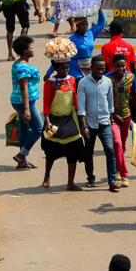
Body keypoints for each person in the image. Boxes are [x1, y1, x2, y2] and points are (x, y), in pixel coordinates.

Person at [41, 44, 85, 191]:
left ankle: (70, 182)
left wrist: (81, 122)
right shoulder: (49, 83)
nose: (65, 71)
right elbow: (46, 103)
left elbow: (76, 101)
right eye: (62, 69)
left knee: (72, 152)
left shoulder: (72, 80)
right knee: (51, 153)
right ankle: (47, 176)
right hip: (53, 120)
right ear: (55, 69)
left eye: (67, 68)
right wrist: (47, 122)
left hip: (70, 120)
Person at [78, 56, 119, 193]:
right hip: (89, 123)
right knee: (88, 152)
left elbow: (110, 103)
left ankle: (112, 180)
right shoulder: (83, 83)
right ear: (91, 69)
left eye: (103, 69)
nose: (100, 71)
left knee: (110, 149)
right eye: (98, 69)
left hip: (105, 122)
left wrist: (112, 117)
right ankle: (90, 178)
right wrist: (83, 127)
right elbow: (81, 108)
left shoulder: (107, 82)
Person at [10, 35, 43, 170]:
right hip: (25, 102)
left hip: (21, 101)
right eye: (31, 47)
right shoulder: (22, 68)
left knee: (25, 130)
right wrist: (27, 109)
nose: (33, 49)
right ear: (24, 51)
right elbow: (24, 88)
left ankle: (22, 161)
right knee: (38, 128)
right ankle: (22, 155)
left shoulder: (19, 63)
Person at [106, 54, 136, 187]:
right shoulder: (107, 78)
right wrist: (112, 114)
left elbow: (135, 96)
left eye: (123, 66)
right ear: (113, 66)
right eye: (118, 66)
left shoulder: (131, 77)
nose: (121, 68)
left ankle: (118, 169)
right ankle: (124, 175)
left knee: (123, 145)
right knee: (117, 143)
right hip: (112, 117)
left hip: (126, 115)